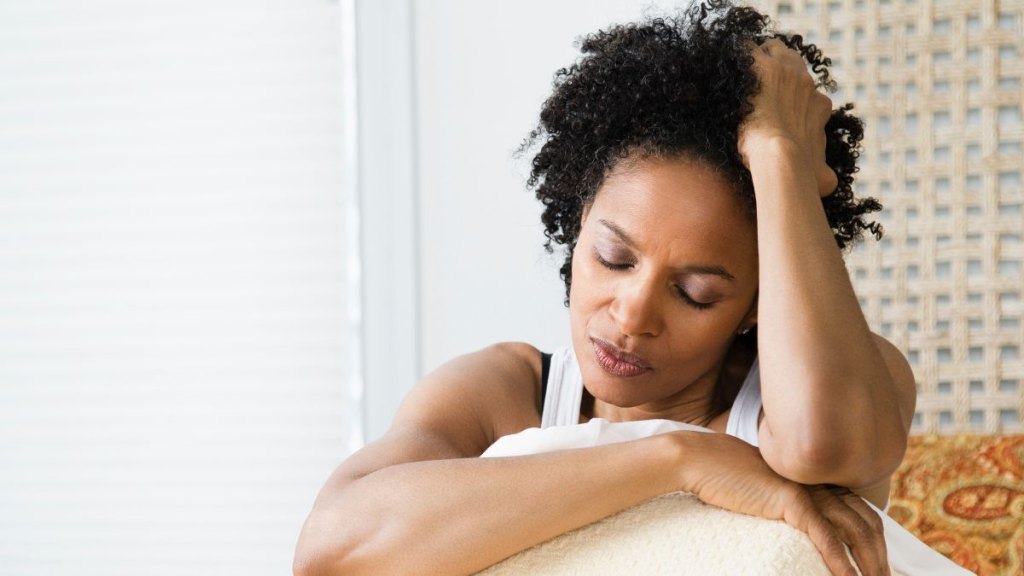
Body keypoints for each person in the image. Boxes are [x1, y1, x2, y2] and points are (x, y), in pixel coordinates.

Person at [294, 2, 919, 575]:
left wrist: (779, 154)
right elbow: (333, 546)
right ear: (578, 218)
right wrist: (681, 459)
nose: (632, 312)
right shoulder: (502, 394)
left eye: (696, 293)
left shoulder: (839, 388)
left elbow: (819, 444)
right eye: (614, 257)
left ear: (759, 301)